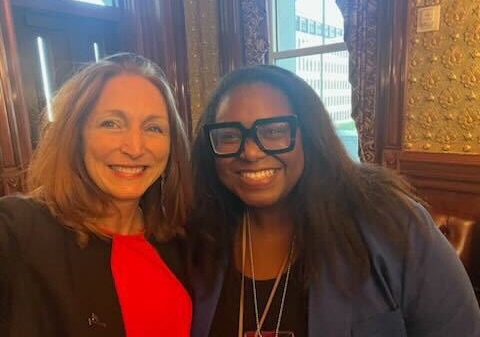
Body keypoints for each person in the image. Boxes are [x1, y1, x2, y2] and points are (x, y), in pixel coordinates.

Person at [189, 65, 480, 337]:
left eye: (275, 131)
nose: (250, 152)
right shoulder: (195, 240)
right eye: (228, 136)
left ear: (310, 136)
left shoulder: (391, 223)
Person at [0, 53, 192, 336]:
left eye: (153, 128)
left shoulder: (178, 239)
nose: (135, 147)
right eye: (112, 123)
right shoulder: (16, 229)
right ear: (75, 134)